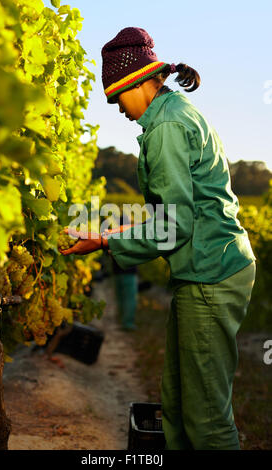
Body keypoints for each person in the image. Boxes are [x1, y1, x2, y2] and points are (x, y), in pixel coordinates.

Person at [60, 27, 256, 450]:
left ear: (135, 82)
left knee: (205, 418)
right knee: (180, 400)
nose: (116, 108)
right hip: (210, 269)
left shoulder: (166, 126)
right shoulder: (176, 110)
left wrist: (105, 243)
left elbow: (176, 225)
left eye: (116, 97)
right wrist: (110, 233)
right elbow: (171, 216)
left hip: (211, 273)